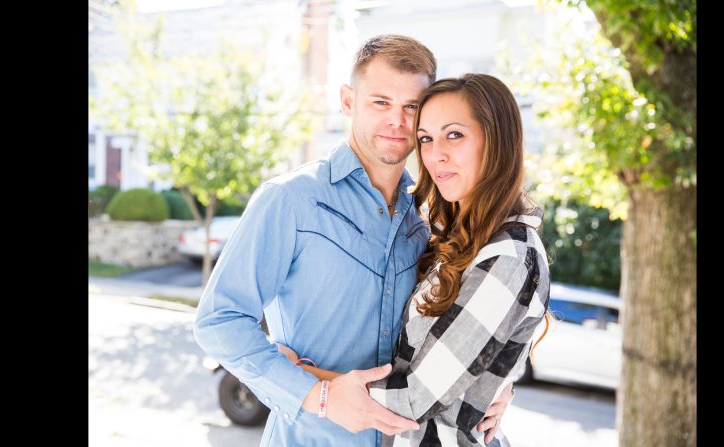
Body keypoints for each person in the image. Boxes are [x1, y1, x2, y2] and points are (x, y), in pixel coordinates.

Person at [193, 35, 514, 447]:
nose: (397, 121)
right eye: (380, 102)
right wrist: (319, 396)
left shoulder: (435, 214)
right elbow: (219, 321)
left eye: (411, 107)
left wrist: (495, 384)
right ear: (348, 101)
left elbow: (478, 319)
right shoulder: (291, 200)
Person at [280, 73, 551, 446]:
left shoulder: (510, 255)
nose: (435, 154)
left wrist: (302, 377)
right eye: (425, 139)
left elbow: (411, 399)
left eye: (454, 135)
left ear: (497, 141)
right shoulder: (456, 237)